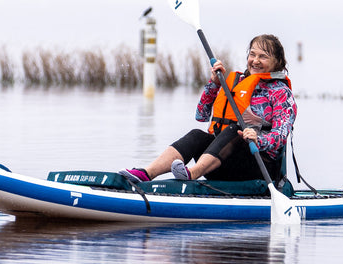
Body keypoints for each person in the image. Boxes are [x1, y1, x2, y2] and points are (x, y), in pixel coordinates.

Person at [122, 34, 296, 184]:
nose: (255, 61)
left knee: (235, 130)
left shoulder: (281, 93)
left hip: (258, 166)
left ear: (277, 62)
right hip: (220, 163)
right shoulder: (236, 82)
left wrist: (258, 139)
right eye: (252, 54)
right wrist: (214, 84)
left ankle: (192, 174)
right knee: (197, 134)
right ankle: (146, 173)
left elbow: (281, 135)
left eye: (263, 56)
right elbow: (201, 114)